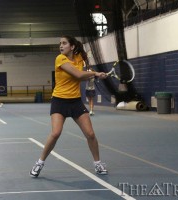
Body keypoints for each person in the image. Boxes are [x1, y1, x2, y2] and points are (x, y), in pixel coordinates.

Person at [30, 35, 108, 177]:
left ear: (72, 46)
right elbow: (78, 75)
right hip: (59, 101)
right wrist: (95, 74)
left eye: (64, 43)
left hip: (75, 101)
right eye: (60, 43)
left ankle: (98, 163)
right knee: (55, 133)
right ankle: (39, 163)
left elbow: (83, 70)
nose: (61, 46)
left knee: (90, 134)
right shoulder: (60, 59)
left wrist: (96, 73)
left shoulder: (79, 58)